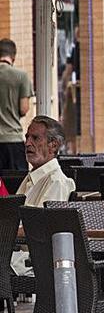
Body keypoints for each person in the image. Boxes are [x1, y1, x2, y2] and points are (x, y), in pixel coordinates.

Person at [11, 116, 74, 275]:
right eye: (27, 137)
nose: (27, 143)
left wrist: (6, 231)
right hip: (15, 253)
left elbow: (40, 230)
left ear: (53, 145)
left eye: (35, 138)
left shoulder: (57, 182)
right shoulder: (31, 178)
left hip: (33, 261)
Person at [0, 39, 33, 172]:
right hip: (13, 141)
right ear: (13, 56)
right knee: (16, 187)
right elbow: (23, 109)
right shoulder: (21, 76)